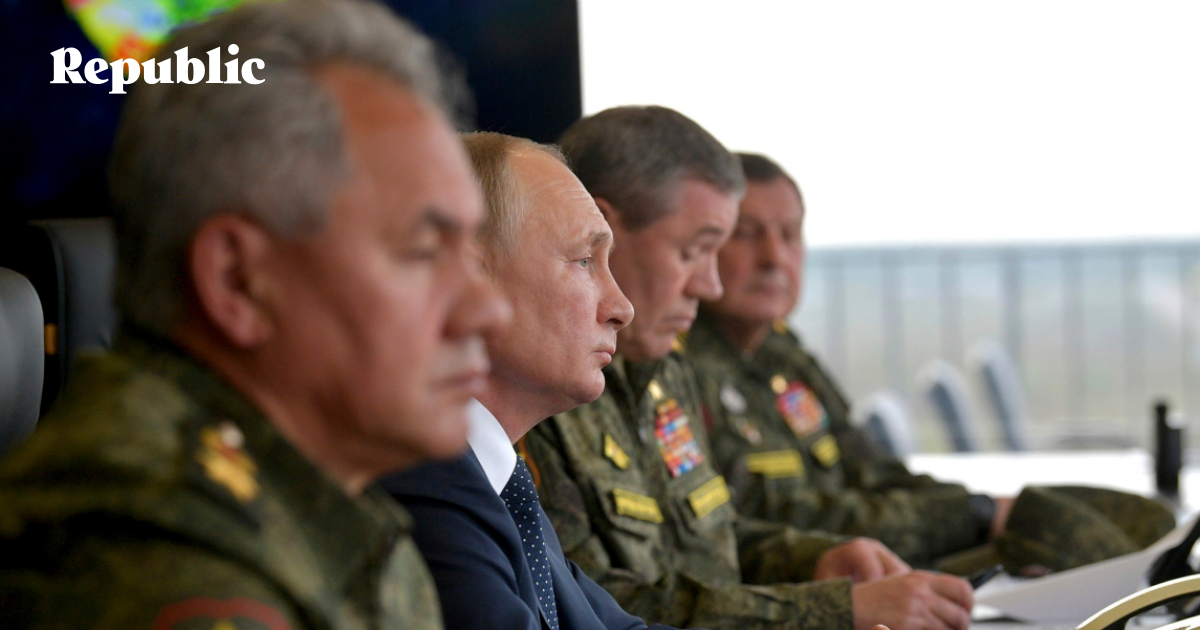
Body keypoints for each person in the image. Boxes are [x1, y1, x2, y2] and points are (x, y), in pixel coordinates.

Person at [0, 2, 509, 628]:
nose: (488, 309)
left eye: (470, 251)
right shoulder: (155, 556)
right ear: (237, 281)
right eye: (424, 251)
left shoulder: (326, 503)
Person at [522, 106, 975, 630]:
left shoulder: (662, 372)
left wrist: (817, 559)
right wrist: (832, 611)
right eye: (693, 251)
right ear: (601, 232)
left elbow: (709, 543)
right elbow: (594, 608)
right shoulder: (541, 391)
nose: (709, 285)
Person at [684, 152, 1174, 575]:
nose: (774, 257)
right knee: (1082, 545)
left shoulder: (781, 354)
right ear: (704, 246)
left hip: (878, 559)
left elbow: (875, 471)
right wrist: (973, 517)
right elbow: (765, 518)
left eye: (790, 235)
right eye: (746, 235)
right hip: (821, 579)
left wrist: (981, 511)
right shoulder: (680, 366)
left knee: (1138, 526)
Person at [380, 132, 674, 630]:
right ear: (467, 278)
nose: (621, 307)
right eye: (584, 261)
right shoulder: (422, 478)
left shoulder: (496, 481)